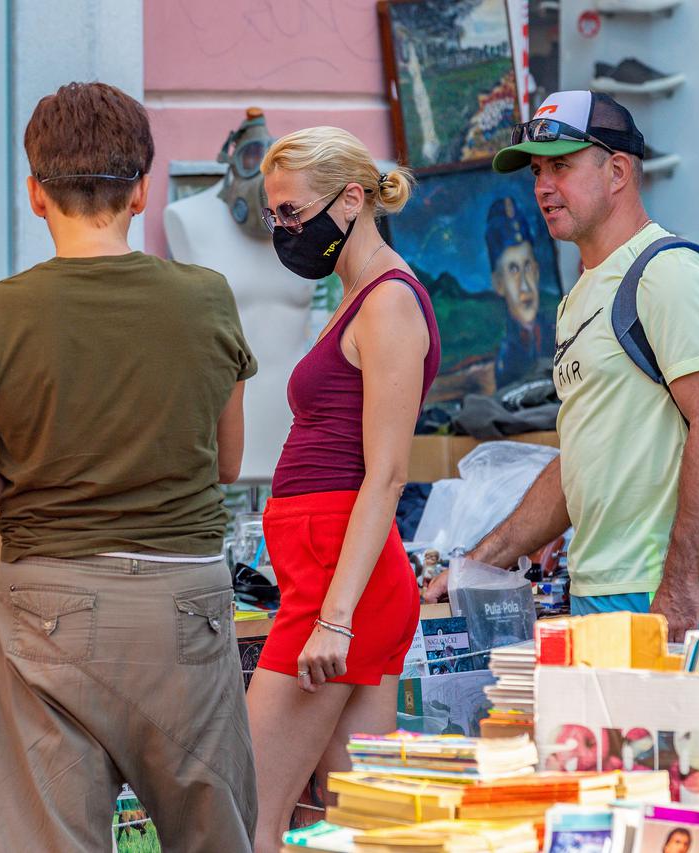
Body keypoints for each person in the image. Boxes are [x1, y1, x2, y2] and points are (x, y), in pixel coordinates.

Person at [0, 82, 259, 851]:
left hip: (49, 599)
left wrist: (32, 461)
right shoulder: (206, 299)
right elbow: (228, 460)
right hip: (184, 600)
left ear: (36, 194)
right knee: (213, 834)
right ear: (142, 189)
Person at [425, 91, 699, 638]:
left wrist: (678, 587)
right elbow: (579, 463)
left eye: (562, 166)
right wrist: (479, 562)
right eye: (536, 171)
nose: (542, 187)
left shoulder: (668, 272)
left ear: (617, 171)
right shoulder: (579, 297)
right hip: (597, 588)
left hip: (661, 595)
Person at [245, 126, 441, 850]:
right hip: (332, 575)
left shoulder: (387, 301)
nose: (283, 231)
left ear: (352, 198)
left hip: (338, 581)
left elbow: (387, 473)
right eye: (275, 216)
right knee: (351, 826)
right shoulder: (359, 294)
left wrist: (334, 615)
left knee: (248, 815)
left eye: (291, 213)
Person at [486, 196, 554, 385]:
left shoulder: (560, 331)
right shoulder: (506, 357)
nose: (525, 286)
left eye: (528, 267)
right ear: (499, 283)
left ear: (537, 271)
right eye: (513, 270)